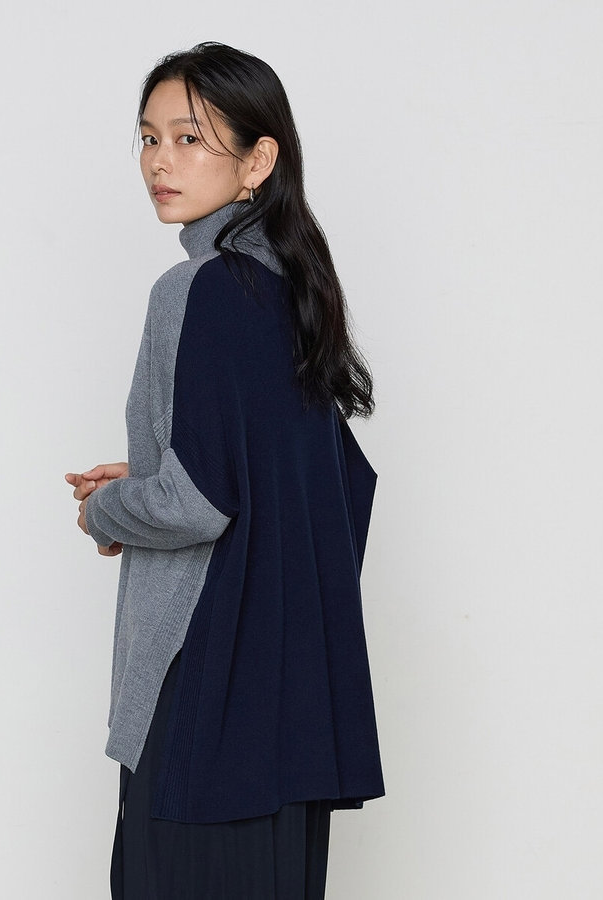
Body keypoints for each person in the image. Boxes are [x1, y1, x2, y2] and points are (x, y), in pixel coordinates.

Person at [65, 41, 384, 900]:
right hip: (287, 702)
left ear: (257, 161)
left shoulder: (200, 288)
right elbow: (324, 491)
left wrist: (107, 511)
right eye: (148, 138)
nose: (159, 161)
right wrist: (147, 477)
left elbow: (200, 504)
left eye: (189, 138)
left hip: (204, 686)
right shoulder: (293, 291)